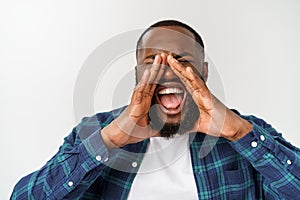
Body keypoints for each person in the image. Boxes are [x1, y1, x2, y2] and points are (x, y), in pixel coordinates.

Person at [11, 20, 300, 200]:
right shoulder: (95, 131)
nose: (166, 73)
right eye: (153, 62)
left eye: (180, 60)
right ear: (138, 74)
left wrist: (239, 133)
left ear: (205, 72)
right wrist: (111, 139)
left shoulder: (244, 132)